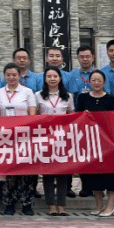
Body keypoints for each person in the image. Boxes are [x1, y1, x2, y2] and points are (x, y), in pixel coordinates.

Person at [76, 69, 114, 217]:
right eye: (94, 80)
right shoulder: (82, 98)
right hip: (90, 141)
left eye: (99, 80)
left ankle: (110, 205)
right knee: (93, 173)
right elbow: (78, 118)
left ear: (104, 82)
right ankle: (98, 204)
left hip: (108, 141)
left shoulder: (111, 99)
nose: (96, 83)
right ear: (89, 81)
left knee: (110, 173)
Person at [0, 62, 38, 215]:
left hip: (24, 137)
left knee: (26, 171)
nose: (11, 77)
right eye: (8, 75)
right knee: (10, 171)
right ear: (4, 76)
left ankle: (27, 204)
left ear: (19, 76)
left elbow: (32, 113)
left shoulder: (27, 92)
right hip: (6, 137)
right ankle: (9, 203)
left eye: (14, 75)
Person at [37, 67, 74, 216]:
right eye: (49, 76)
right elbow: (35, 115)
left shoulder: (68, 96)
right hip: (45, 137)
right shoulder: (38, 95)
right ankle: (51, 205)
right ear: (45, 79)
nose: (52, 79)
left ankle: (62, 204)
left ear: (60, 78)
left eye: (55, 76)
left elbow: (71, 115)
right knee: (48, 172)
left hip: (62, 138)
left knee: (62, 172)